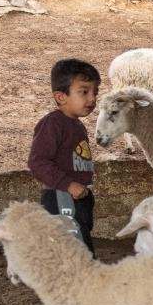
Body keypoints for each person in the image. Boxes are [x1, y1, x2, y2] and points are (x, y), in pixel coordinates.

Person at [28, 58, 99, 253]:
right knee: (76, 248)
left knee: (79, 240)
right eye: (84, 92)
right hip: (61, 196)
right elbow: (37, 162)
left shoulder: (76, 124)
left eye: (95, 92)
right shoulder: (53, 124)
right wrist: (68, 184)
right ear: (61, 96)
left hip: (78, 195)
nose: (92, 98)